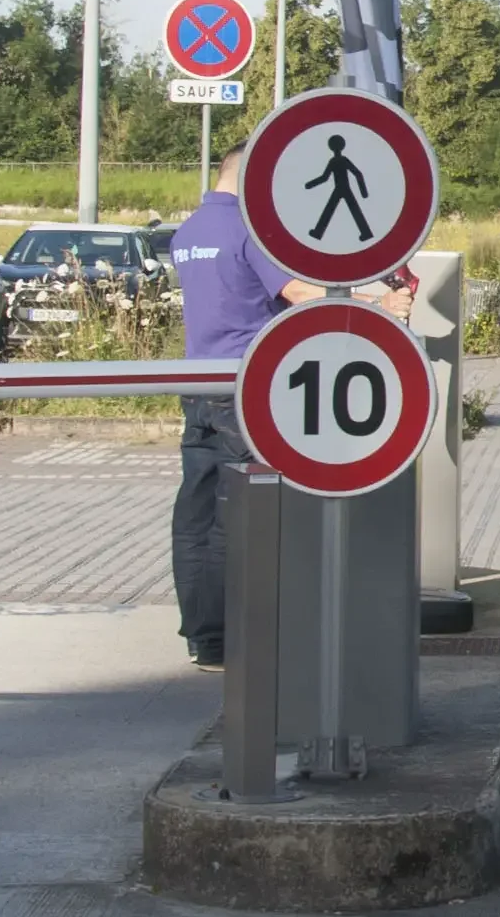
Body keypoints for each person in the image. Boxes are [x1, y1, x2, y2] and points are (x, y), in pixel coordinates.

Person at [169, 141, 413, 669]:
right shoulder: (245, 231)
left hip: (198, 383)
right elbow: (299, 293)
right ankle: (238, 635)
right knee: (239, 515)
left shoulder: (188, 232)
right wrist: (379, 303)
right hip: (246, 388)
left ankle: (202, 636)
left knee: (195, 510)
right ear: (249, 175)